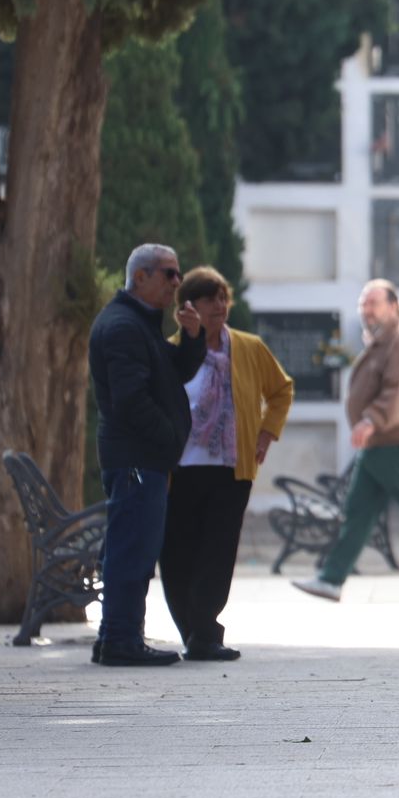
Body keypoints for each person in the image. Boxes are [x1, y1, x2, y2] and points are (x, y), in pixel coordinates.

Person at [292, 279, 399, 603]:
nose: (367, 310)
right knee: (358, 512)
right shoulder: (381, 342)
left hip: (396, 442)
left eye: (374, 303)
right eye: (363, 303)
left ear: (394, 307)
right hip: (380, 443)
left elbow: (397, 390)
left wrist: (372, 420)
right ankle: (331, 578)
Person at [159, 267, 294, 661]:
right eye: (208, 299)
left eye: (222, 298)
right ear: (188, 308)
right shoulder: (173, 349)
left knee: (217, 552)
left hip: (231, 469)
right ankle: (191, 629)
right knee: (178, 551)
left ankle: (205, 632)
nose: (218, 306)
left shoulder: (249, 348)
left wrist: (267, 432)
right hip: (181, 469)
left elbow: (281, 390)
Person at [88, 244, 205, 666]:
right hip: (137, 459)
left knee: (135, 546)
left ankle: (116, 638)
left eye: (178, 273)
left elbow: (172, 370)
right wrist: (170, 437)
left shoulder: (139, 324)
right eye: (168, 274)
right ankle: (120, 640)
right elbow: (130, 401)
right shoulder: (123, 326)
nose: (177, 282)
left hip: (143, 458)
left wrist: (193, 339)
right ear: (140, 277)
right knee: (131, 549)